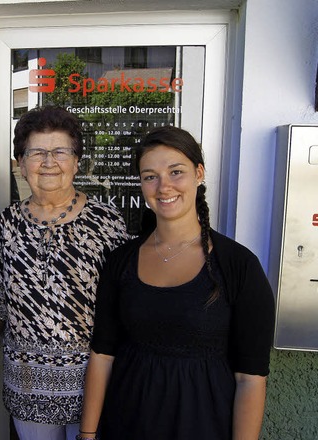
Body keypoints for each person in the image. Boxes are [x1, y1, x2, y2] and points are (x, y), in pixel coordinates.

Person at [79, 126, 276, 440]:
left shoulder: (238, 266)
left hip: (204, 425)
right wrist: (87, 435)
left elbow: (250, 378)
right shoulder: (121, 261)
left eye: (176, 172)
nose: (163, 186)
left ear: (199, 173)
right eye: (150, 176)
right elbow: (102, 355)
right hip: (127, 423)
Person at [0, 105, 129, 440]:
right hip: (28, 388)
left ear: (76, 162)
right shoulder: (6, 223)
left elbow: (125, 307)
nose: (49, 162)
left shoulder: (107, 223)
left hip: (94, 385)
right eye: (36, 152)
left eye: (60, 151)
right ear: (21, 164)